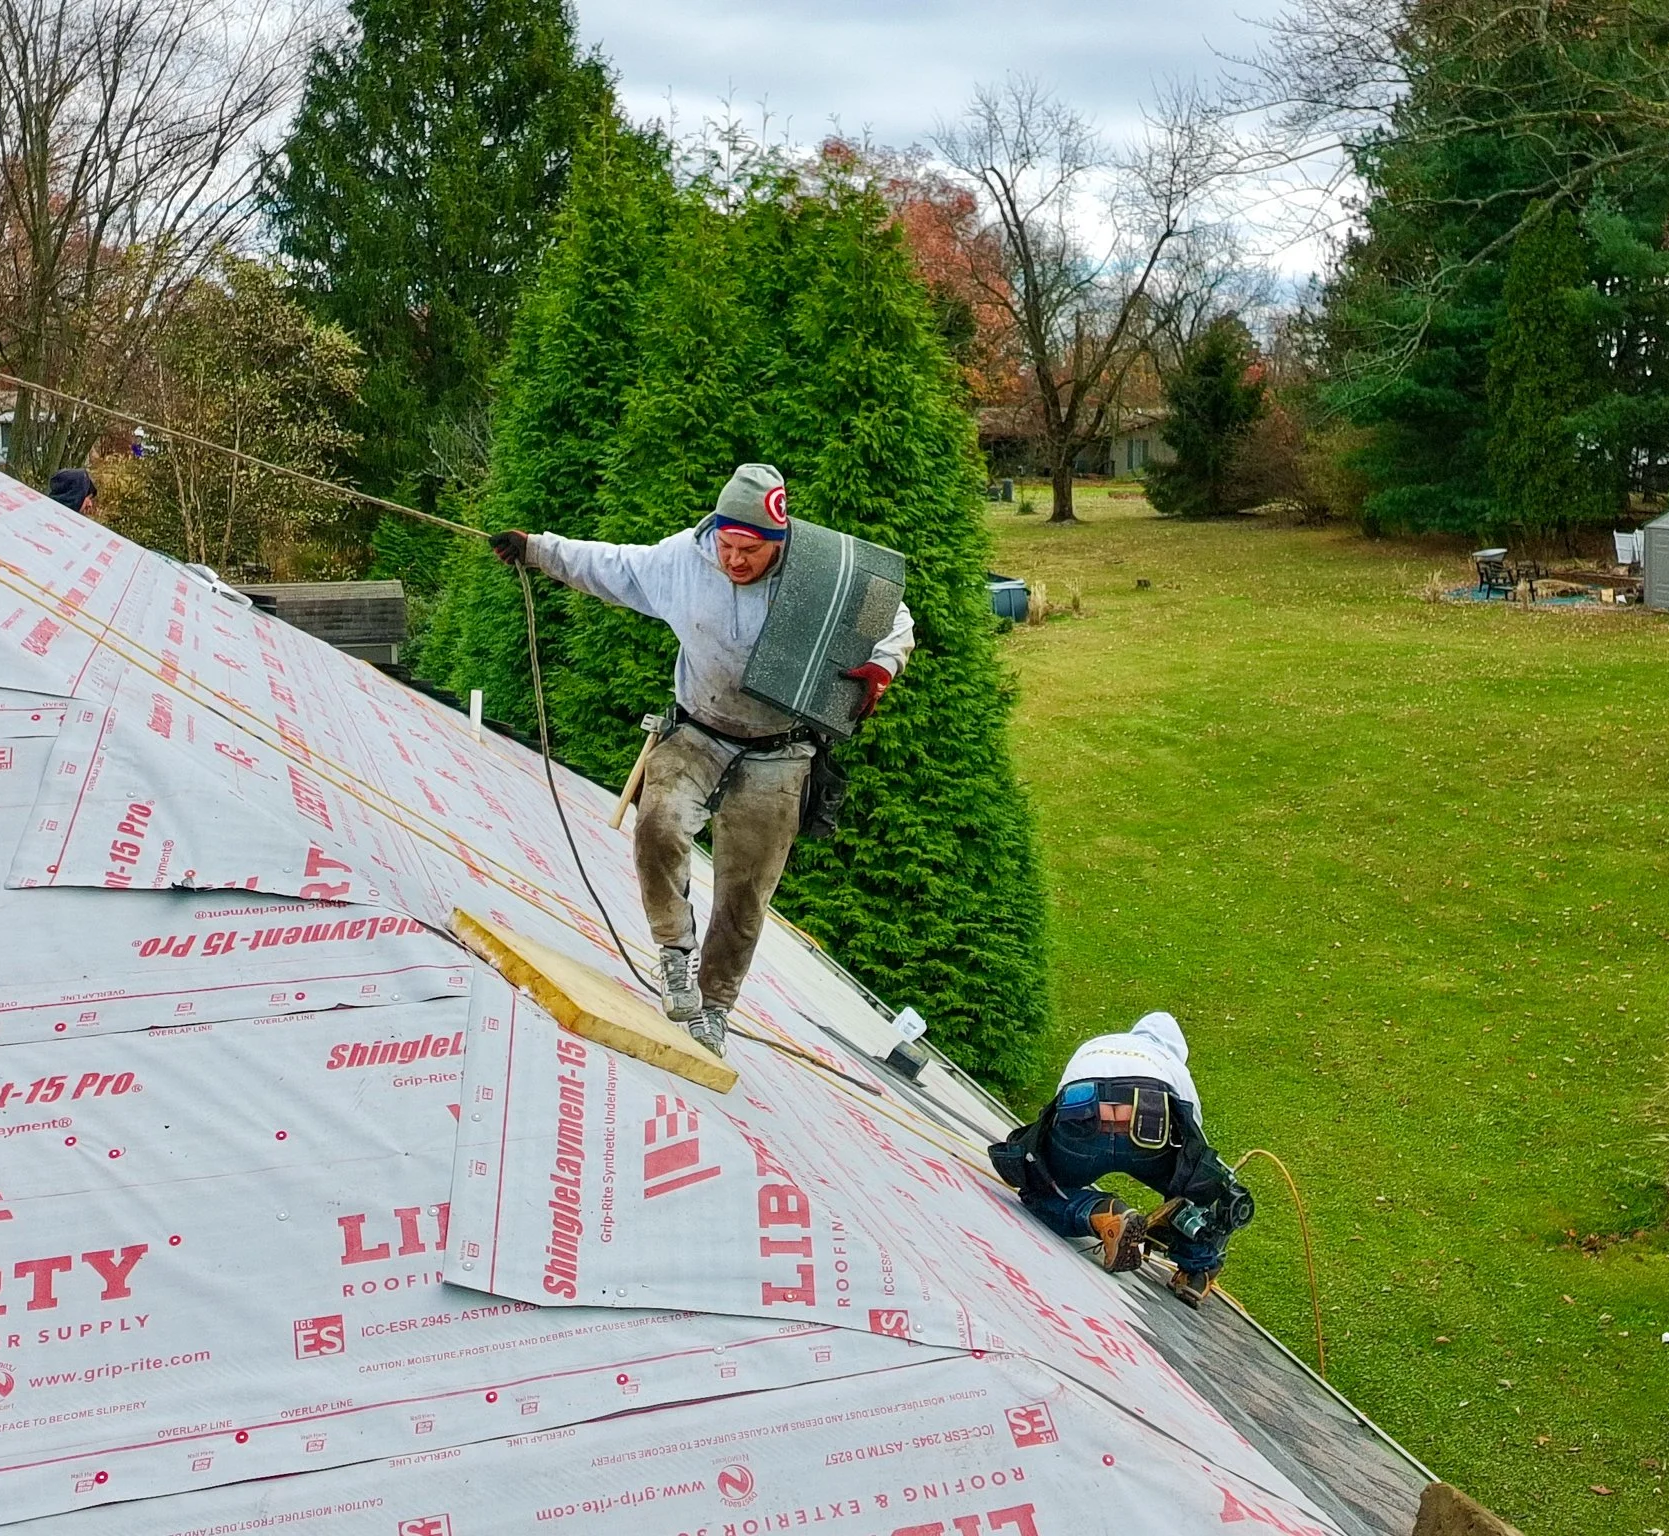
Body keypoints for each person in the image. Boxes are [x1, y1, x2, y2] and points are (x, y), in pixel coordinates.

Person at [491, 463, 914, 1058]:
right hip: (698, 729)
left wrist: (882, 667)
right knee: (659, 823)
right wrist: (536, 550)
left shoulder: (823, 572)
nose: (736, 560)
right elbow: (611, 564)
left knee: (745, 892)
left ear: (780, 539)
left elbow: (893, 617)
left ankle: (713, 1008)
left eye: (751, 549)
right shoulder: (681, 563)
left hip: (780, 748)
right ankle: (672, 952)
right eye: (728, 544)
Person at [989, 1011, 1255, 1307]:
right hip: (1145, 1136)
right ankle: (1197, 1270)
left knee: (1043, 1189)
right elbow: (1196, 1146)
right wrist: (1195, 1195)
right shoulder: (1172, 1066)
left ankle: (1103, 1214)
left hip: (1082, 1127)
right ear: (1177, 1051)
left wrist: (1042, 1167)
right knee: (1202, 1184)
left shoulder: (1097, 1045)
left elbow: (1057, 1108)